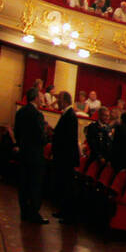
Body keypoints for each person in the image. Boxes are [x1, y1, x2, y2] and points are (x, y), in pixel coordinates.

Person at [14, 88, 49, 224]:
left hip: (23, 152)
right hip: (35, 154)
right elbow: (41, 137)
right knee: (35, 184)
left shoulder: (21, 112)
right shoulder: (37, 115)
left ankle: (24, 211)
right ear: (35, 98)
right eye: (41, 97)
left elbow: (17, 132)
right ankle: (33, 212)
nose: (42, 100)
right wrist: (46, 137)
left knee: (23, 183)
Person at [50, 91, 79, 222]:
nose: (58, 102)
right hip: (64, 156)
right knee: (63, 185)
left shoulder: (70, 115)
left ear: (65, 100)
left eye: (60, 100)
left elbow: (68, 138)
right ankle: (63, 211)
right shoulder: (67, 114)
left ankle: (68, 214)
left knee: (67, 186)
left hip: (66, 157)